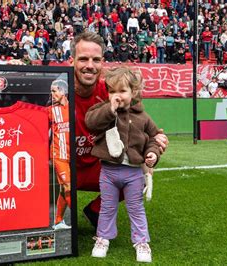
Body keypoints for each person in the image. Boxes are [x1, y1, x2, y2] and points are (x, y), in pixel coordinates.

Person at [69, 32, 168, 228]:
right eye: (83, 59)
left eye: (96, 60)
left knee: (137, 172)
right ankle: (55, 213)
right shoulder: (58, 91)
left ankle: (95, 211)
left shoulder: (112, 93)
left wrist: (154, 147)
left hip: (99, 167)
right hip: (64, 168)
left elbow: (140, 127)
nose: (90, 65)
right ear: (71, 60)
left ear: (102, 63)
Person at [85, 67, 161, 262]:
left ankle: (141, 242)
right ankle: (103, 238)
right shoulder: (104, 109)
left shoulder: (143, 116)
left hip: (134, 173)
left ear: (133, 92)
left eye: (122, 91)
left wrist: (152, 153)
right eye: (111, 91)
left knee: (136, 208)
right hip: (109, 171)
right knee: (108, 208)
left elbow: (155, 137)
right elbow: (91, 122)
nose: (116, 96)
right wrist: (109, 109)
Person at [49, 79, 72, 230]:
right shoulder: (50, 111)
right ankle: (76, 218)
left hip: (72, 155)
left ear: (63, 91)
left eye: (54, 91)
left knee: (64, 189)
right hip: (59, 155)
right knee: (68, 186)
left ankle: (58, 221)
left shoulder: (73, 108)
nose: (51, 94)